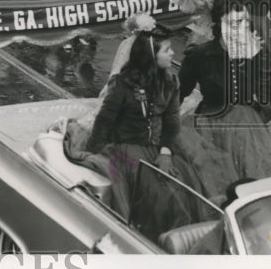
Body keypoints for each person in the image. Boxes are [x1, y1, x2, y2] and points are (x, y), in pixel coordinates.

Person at [178, 0, 271, 200]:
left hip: (251, 125)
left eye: (244, 21)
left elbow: (266, 95)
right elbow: (179, 93)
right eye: (234, 22)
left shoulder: (257, 52)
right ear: (219, 24)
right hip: (210, 124)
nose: (241, 28)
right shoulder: (199, 56)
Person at [80, 32, 205, 241]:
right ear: (151, 56)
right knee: (155, 195)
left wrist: (166, 152)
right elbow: (105, 120)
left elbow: (171, 122)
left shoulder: (171, 81)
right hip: (125, 149)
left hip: (156, 149)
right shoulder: (122, 83)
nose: (173, 53)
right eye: (167, 50)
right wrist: (94, 151)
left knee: (179, 192)